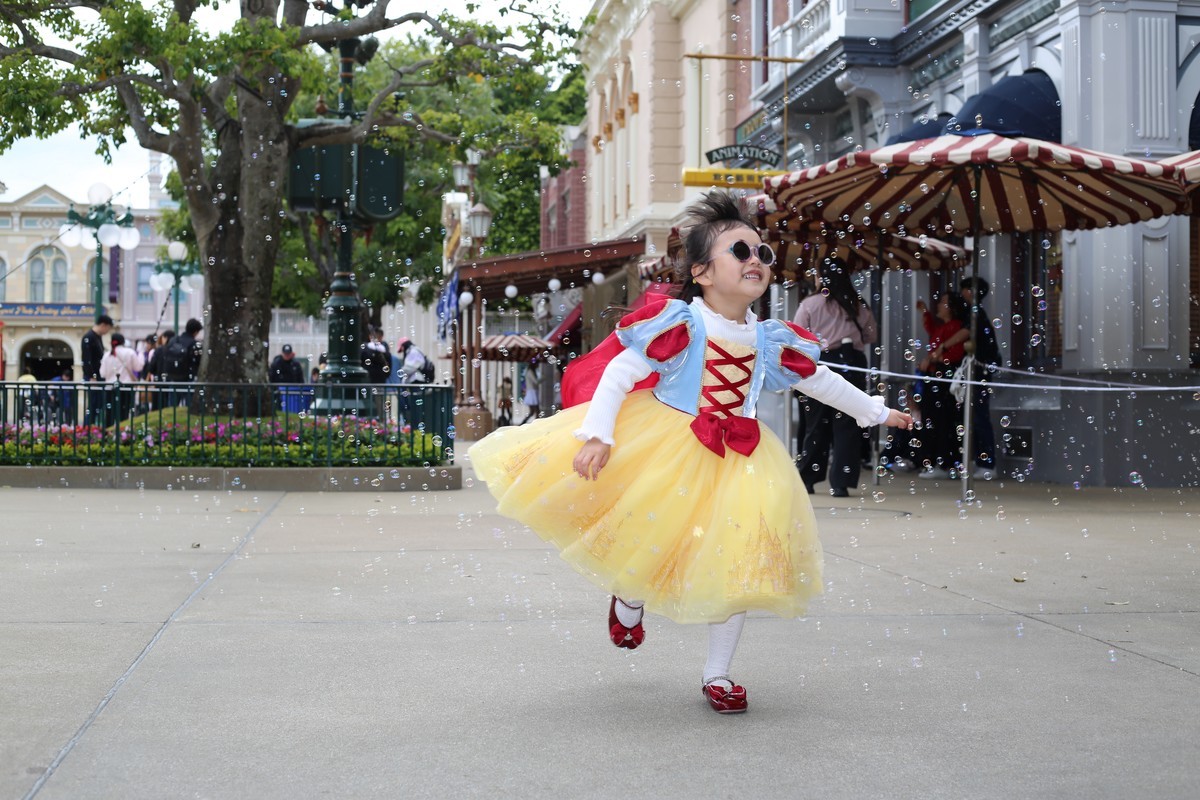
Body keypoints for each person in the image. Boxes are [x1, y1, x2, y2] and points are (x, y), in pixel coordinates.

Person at [468, 192, 912, 715]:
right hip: (669, 445)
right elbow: (620, 373)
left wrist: (876, 413)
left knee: (740, 562)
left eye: (762, 254)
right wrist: (599, 434)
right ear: (701, 272)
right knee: (648, 539)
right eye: (740, 251)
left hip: (742, 459)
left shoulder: (770, 339)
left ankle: (718, 674)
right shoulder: (681, 324)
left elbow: (820, 379)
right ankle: (629, 597)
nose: (755, 260)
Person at [792, 259, 878, 497]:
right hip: (852, 363)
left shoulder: (810, 304)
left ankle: (808, 478)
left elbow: (797, 335)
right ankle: (841, 482)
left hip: (820, 363)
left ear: (822, 276)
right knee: (848, 422)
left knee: (816, 423)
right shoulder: (859, 304)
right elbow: (871, 336)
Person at [933, 277, 1001, 480]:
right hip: (975, 372)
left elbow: (965, 333)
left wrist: (943, 346)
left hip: (980, 372)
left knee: (979, 416)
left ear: (971, 292)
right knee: (973, 417)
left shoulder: (976, 313)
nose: (961, 294)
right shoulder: (974, 312)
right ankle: (979, 461)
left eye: (964, 290)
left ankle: (987, 463)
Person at [914, 292, 969, 478]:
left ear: (952, 308)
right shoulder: (944, 327)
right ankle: (934, 461)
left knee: (940, 419)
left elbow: (955, 355)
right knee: (932, 418)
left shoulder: (955, 327)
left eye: (943, 303)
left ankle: (941, 463)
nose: (939, 305)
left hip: (943, 377)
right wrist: (925, 312)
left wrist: (933, 359)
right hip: (935, 377)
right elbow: (932, 331)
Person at [99, 332, 145, 422]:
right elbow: (138, 367)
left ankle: (108, 433)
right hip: (126, 388)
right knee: (124, 414)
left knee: (110, 414)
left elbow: (102, 373)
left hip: (110, 388)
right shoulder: (130, 352)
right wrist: (141, 354)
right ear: (123, 342)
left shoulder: (107, 355)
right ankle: (122, 433)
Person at [160, 318, 203, 407]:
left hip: (173, 378)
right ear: (196, 332)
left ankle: (171, 421)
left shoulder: (173, 340)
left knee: (172, 408)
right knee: (189, 406)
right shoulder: (194, 344)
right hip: (188, 379)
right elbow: (199, 362)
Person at [80, 314, 113, 426]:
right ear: (103, 325)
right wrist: (91, 377)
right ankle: (87, 429)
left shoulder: (97, 337)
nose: (107, 331)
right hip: (93, 378)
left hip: (98, 376)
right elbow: (87, 359)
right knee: (93, 405)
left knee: (98, 405)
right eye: (108, 328)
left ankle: (93, 428)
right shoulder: (89, 337)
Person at [269, 343, 306, 412]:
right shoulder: (276, 364)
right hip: (279, 392)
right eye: (285, 354)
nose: (287, 356)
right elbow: (272, 377)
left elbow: (300, 378)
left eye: (288, 354)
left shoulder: (295, 364)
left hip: (293, 392)